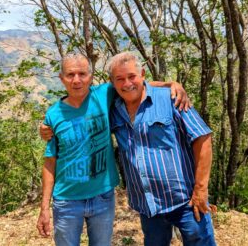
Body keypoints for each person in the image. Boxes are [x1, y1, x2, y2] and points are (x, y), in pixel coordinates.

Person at [37, 52, 190, 246]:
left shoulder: (103, 94)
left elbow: (134, 85)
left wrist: (171, 85)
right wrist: (44, 208)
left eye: (82, 74)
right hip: (67, 200)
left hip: (103, 196)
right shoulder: (53, 115)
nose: (77, 80)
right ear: (61, 78)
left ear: (91, 77)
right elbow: (50, 162)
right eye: (70, 75)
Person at [108, 52, 216, 246]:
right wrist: (49, 126)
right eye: (120, 79)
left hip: (186, 202)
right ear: (112, 82)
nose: (127, 83)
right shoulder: (113, 109)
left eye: (132, 76)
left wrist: (201, 189)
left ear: (142, 74)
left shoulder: (171, 99)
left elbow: (203, 138)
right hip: (148, 206)